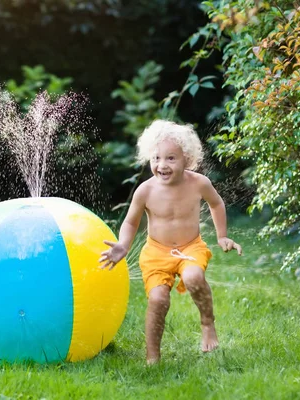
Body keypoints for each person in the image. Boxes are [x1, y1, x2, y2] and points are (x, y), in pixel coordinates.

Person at [99, 119, 242, 364]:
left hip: (191, 247)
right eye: (156, 158)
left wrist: (222, 236)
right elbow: (131, 222)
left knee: (194, 277)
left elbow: (216, 203)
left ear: (187, 159)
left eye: (170, 158)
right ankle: (152, 356)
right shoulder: (146, 190)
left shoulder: (199, 184)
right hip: (156, 252)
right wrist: (123, 244)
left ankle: (208, 324)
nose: (162, 165)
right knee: (158, 299)